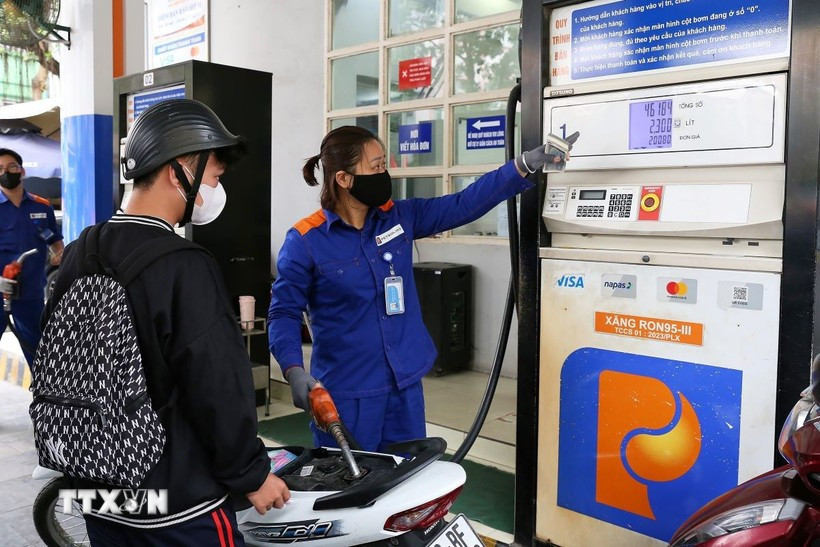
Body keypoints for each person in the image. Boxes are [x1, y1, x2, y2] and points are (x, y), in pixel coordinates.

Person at [45, 99, 289, 546]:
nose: (216, 190)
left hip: (96, 488)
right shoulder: (183, 264)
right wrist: (252, 475)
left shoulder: (82, 248)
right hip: (175, 502)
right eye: (214, 177)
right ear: (179, 171)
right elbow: (217, 384)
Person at [268, 125, 573, 453]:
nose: (385, 173)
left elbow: (464, 203)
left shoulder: (400, 218)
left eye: (385, 163)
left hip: (405, 385)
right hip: (347, 392)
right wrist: (293, 369)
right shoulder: (305, 241)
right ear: (343, 179)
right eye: (376, 166)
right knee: (351, 485)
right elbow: (283, 312)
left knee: (407, 484)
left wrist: (524, 164)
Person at [0, 147, 63, 365]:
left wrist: (60, 254)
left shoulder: (41, 206)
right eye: (0, 169)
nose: (6, 172)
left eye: (11, 167)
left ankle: (44, 395)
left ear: (22, 170)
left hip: (31, 293)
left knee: (38, 350)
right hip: (0, 291)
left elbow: (53, 238)